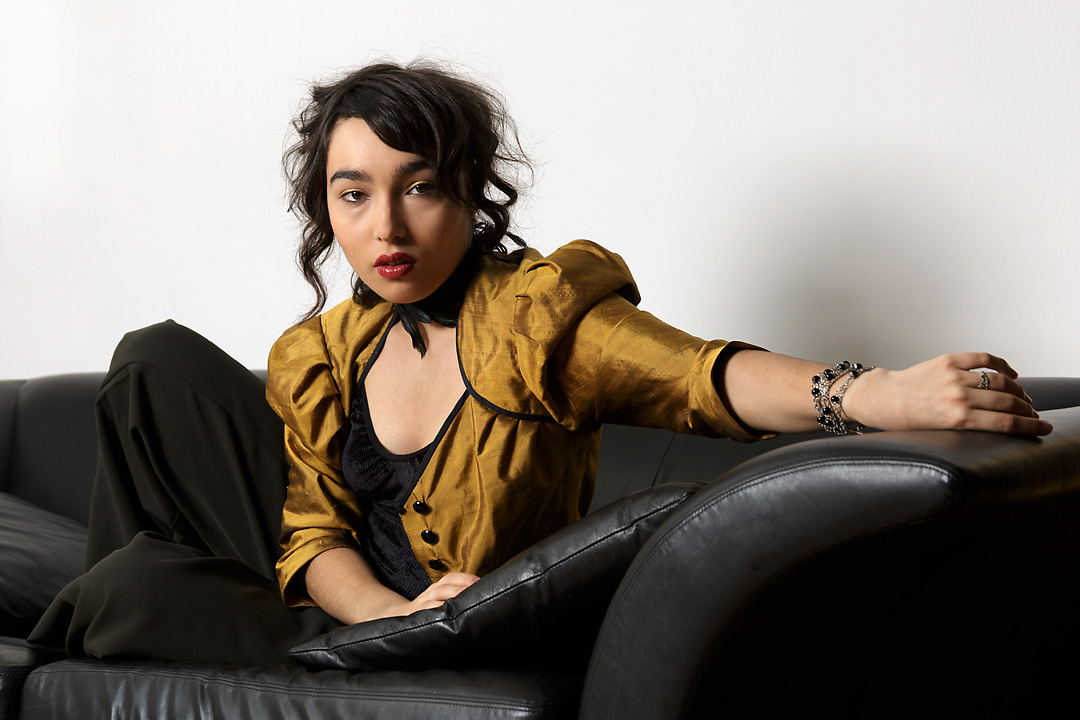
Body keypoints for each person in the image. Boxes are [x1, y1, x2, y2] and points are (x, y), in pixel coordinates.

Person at [28, 60, 1052, 665]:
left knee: (126, 595)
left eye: (419, 186)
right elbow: (310, 535)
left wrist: (875, 392)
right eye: (352, 194)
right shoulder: (320, 353)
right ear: (324, 209)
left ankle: (93, 632)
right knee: (153, 363)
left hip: (450, 638)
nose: (385, 225)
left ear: (469, 190)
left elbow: (701, 378)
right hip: (353, 622)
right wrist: (387, 617)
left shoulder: (537, 318)